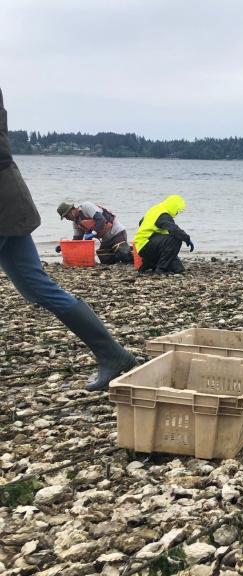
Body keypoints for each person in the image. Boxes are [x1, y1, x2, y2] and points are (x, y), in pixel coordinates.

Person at [0, 88, 136, 390]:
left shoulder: (87, 209)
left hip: (8, 206)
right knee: (37, 287)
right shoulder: (76, 217)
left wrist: (90, 238)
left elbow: (98, 226)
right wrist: (67, 245)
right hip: (11, 205)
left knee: (39, 286)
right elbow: (80, 233)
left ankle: (113, 355)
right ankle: (113, 354)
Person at [56, 201, 133, 264]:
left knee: (125, 257)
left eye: (66, 216)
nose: (67, 219)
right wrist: (64, 247)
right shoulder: (76, 223)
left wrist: (93, 233)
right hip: (106, 240)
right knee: (105, 259)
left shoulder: (86, 207)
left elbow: (101, 220)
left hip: (117, 233)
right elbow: (77, 240)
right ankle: (122, 251)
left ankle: (130, 251)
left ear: (71, 210)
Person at [133, 195, 193, 273]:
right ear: (173, 206)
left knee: (179, 269)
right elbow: (174, 230)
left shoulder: (155, 209)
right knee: (175, 239)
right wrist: (187, 239)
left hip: (144, 246)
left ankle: (149, 264)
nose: (177, 213)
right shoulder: (163, 215)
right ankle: (161, 269)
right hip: (146, 246)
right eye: (177, 210)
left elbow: (141, 222)